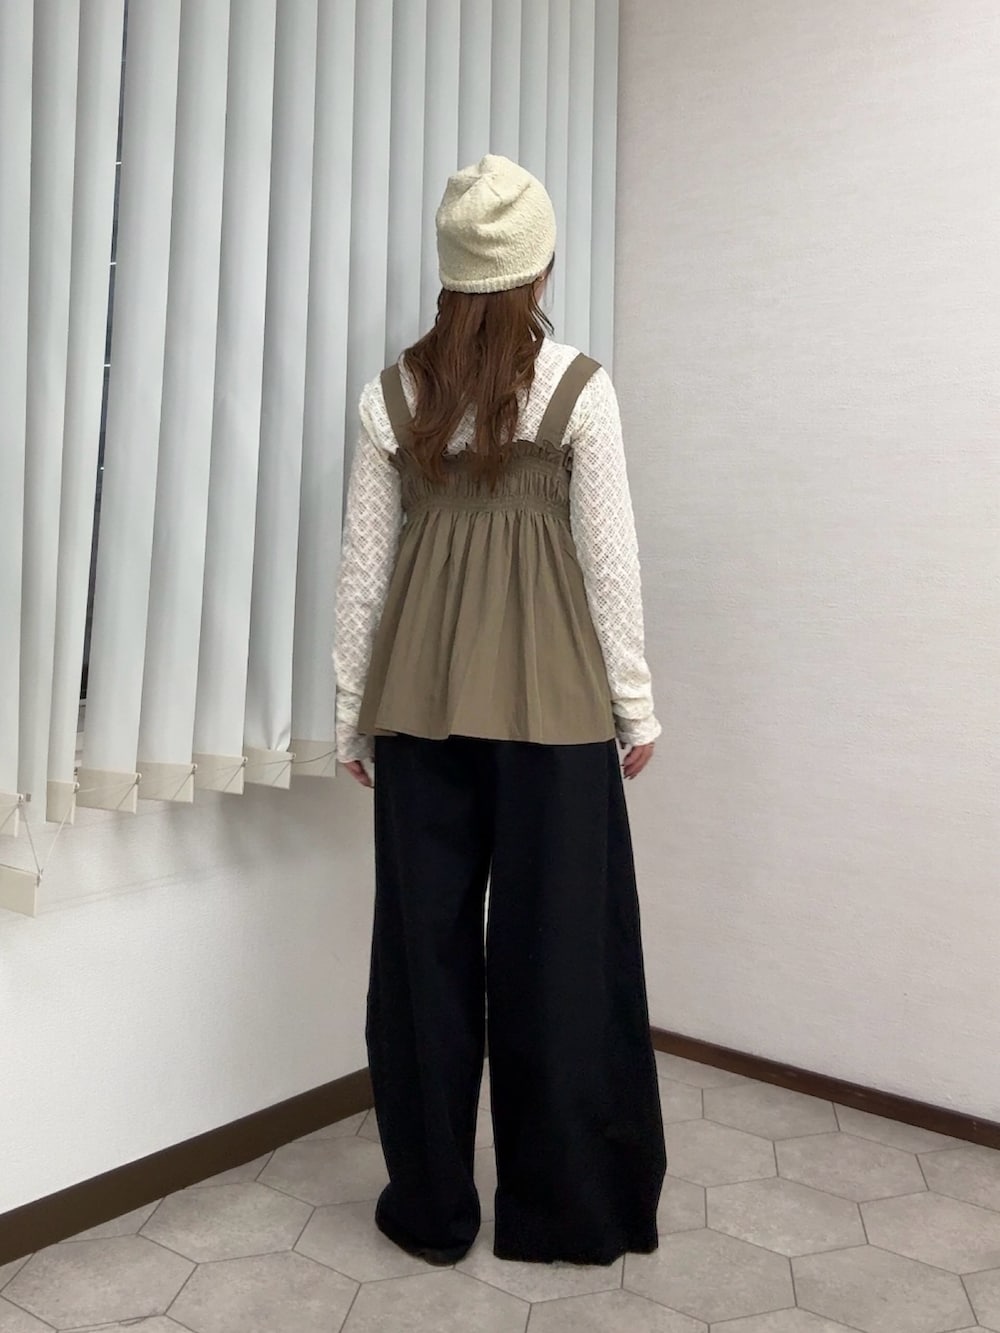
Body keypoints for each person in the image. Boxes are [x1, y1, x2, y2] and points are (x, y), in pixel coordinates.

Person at [333, 154, 666, 1268]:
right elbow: (609, 564)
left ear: (449, 272)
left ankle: (430, 1211)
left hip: (417, 708)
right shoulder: (580, 388)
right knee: (561, 961)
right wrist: (635, 708)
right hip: (555, 712)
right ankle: (563, 1209)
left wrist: (351, 712)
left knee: (420, 966)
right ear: (540, 267)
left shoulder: (391, 397)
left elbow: (362, 574)